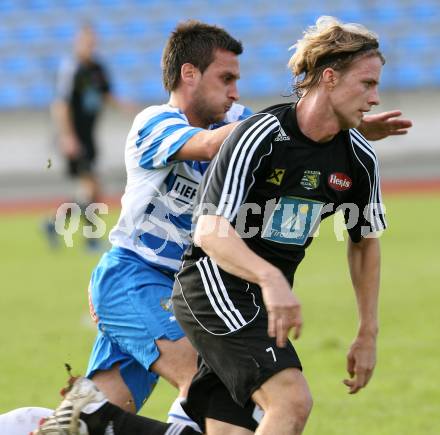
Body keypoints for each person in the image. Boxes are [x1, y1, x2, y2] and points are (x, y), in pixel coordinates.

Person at [23, 17, 413, 435]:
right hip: (137, 280)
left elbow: (281, 132)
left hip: (186, 285)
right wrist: (321, 120)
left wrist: (334, 123)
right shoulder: (155, 124)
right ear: (189, 75)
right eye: (226, 78)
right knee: (218, 394)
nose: (236, 91)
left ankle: (39, 422)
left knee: (82, 425)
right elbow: (219, 142)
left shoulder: (244, 121)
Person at [170, 15, 389, 435]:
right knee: (291, 400)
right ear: (329, 77)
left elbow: (364, 242)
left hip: (263, 303)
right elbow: (208, 229)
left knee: (232, 431)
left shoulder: (360, 158)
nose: (375, 97)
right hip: (213, 284)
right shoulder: (262, 135)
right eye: (367, 84)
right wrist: (270, 278)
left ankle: (98, 421)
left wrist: (368, 332)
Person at [43, 23, 127, 250]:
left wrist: (127, 109)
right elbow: (60, 106)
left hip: (90, 137)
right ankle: (91, 239)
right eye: (86, 42)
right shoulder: (72, 69)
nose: (90, 46)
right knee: (92, 187)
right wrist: (68, 137)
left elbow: (107, 94)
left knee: (91, 190)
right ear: (78, 43)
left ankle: (53, 223)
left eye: (92, 42)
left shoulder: (98, 69)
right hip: (75, 137)